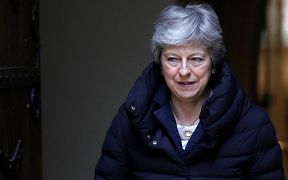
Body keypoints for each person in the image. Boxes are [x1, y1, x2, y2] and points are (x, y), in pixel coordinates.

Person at [94, 3, 285, 179]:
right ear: (160, 64)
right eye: (173, 59)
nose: (184, 71)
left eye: (196, 59)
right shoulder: (131, 118)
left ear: (213, 63)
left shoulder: (253, 125)